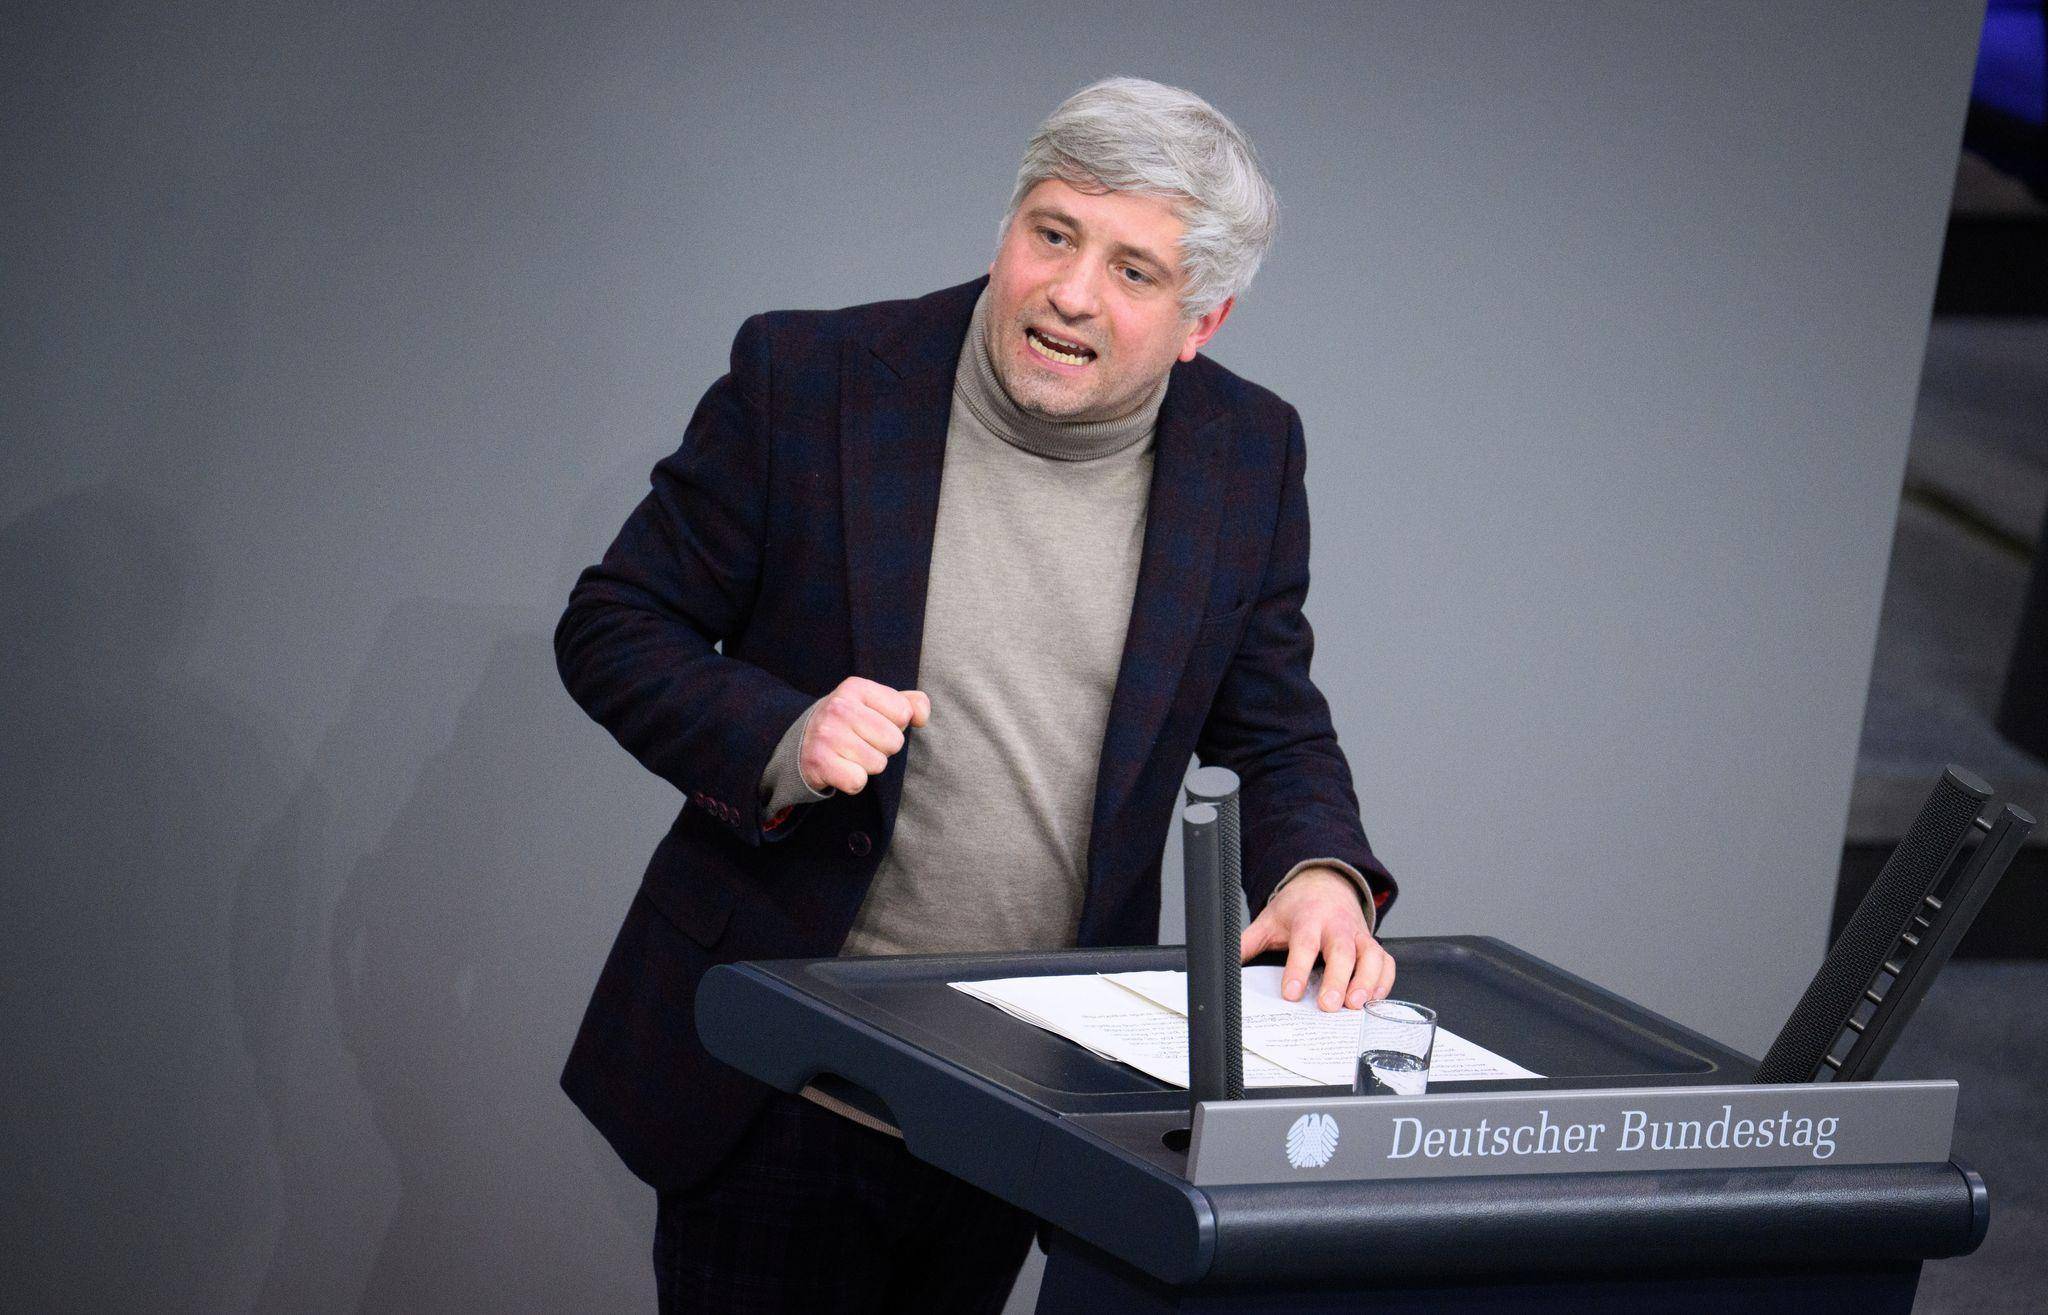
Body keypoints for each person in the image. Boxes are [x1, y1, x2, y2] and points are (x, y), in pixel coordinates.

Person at [555, 76, 1400, 1314]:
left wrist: (1318, 870)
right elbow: (614, 623)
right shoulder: (810, 375)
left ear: (1201, 321)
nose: (1070, 292)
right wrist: (783, 734)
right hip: (786, 1069)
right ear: (1008, 225)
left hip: (1027, 1103)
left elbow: (1272, 725)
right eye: (1052, 233)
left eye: (1131, 270)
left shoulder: (1249, 453)